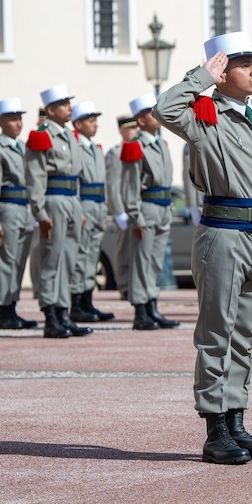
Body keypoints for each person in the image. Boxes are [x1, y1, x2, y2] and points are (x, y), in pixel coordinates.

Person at [155, 31, 252, 466]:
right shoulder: (204, 116)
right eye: (243, 63)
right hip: (222, 234)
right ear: (221, 71)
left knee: (244, 335)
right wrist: (199, 79)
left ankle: (236, 423)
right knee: (217, 334)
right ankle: (214, 431)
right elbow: (164, 109)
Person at [25, 85, 92, 339]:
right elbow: (35, 178)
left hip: (71, 200)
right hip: (52, 200)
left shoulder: (70, 136)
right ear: (51, 110)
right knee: (51, 261)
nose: (69, 107)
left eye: (69, 103)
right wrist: (40, 212)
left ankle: (64, 312)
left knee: (69, 259)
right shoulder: (41, 136)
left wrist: (79, 208)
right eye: (63, 104)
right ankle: (50, 314)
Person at [121, 93, 179, 330]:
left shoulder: (161, 145)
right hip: (146, 209)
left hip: (163, 208)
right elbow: (130, 185)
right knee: (141, 262)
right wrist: (135, 216)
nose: (156, 116)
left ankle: (152, 307)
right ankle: (140, 311)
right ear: (140, 120)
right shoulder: (135, 147)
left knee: (155, 263)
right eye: (150, 113)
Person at [0, 98, 38, 329]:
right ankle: (4, 312)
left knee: (18, 262)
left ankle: (12, 307)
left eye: (20, 118)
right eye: (13, 119)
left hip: (24, 210)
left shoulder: (23, 148)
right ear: (0, 122)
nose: (18, 123)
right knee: (6, 262)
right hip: (7, 210)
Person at [70, 101, 114, 323]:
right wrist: (78, 211)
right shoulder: (75, 148)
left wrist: (104, 211)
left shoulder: (95, 149)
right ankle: (77, 303)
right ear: (77, 124)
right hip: (84, 205)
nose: (95, 125)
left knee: (92, 256)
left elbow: (103, 183)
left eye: (95, 120)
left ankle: (87, 301)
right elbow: (75, 183)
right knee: (81, 256)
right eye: (90, 120)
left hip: (97, 205)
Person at [105, 115, 139, 303]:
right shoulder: (115, 152)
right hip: (124, 210)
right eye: (130, 128)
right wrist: (118, 212)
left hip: (136, 209)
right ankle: (124, 286)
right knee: (124, 250)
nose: (134, 131)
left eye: (135, 128)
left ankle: (135, 286)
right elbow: (113, 184)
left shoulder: (138, 149)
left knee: (138, 250)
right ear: (122, 131)